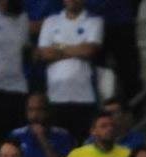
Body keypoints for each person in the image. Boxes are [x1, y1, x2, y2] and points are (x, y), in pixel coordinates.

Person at [36, 0, 103, 140]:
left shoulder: (94, 21)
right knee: (58, 145)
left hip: (84, 97)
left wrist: (58, 47)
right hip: (55, 97)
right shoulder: (51, 21)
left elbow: (89, 50)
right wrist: (76, 49)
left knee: (82, 143)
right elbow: (44, 53)